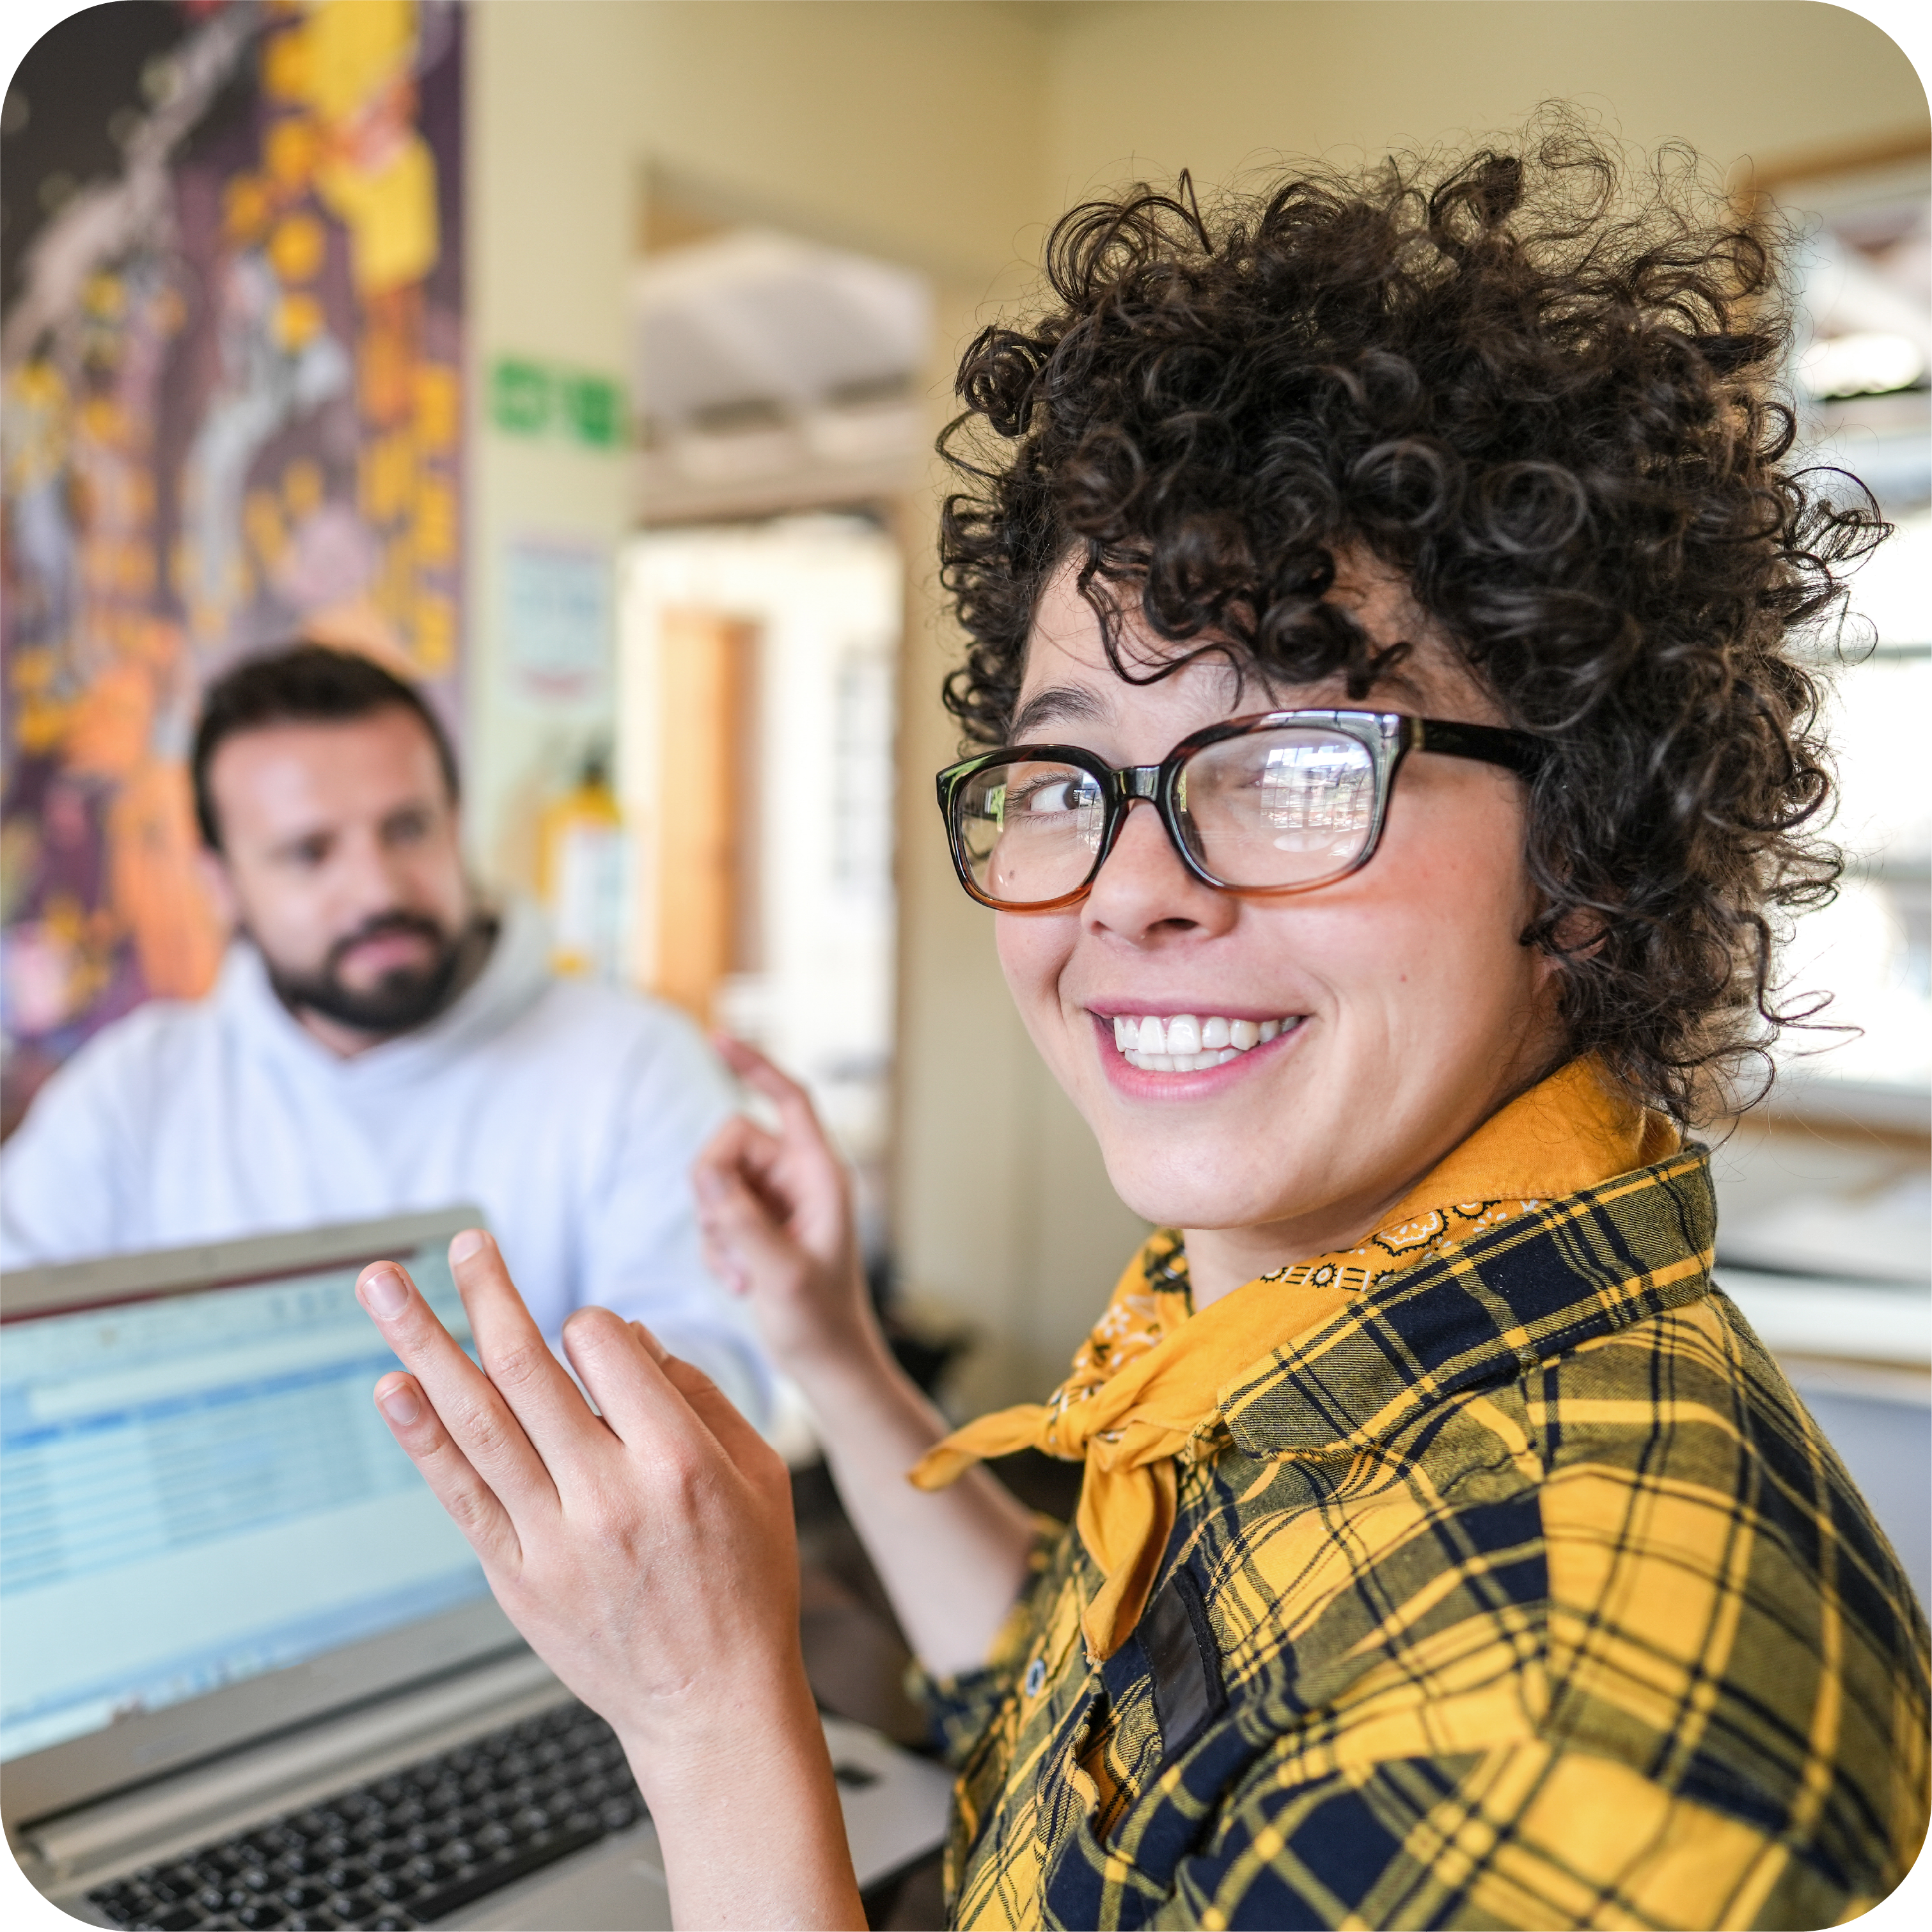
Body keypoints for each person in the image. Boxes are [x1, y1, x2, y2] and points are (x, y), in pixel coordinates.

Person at [350, 125, 1932, 1929]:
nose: (1125, 889)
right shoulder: (1303, 1297)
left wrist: (708, 1712)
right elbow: (1084, 1721)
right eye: (1064, 771)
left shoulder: (1550, 1727)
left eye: (1287, 760)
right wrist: (836, 1350)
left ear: (1589, 846)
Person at [0, 643, 768, 1416]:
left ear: (455, 824)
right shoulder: (133, 1091)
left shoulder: (635, 1066)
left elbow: (707, 1402)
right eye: (310, 852)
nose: (377, 888)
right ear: (220, 882)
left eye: (407, 829)